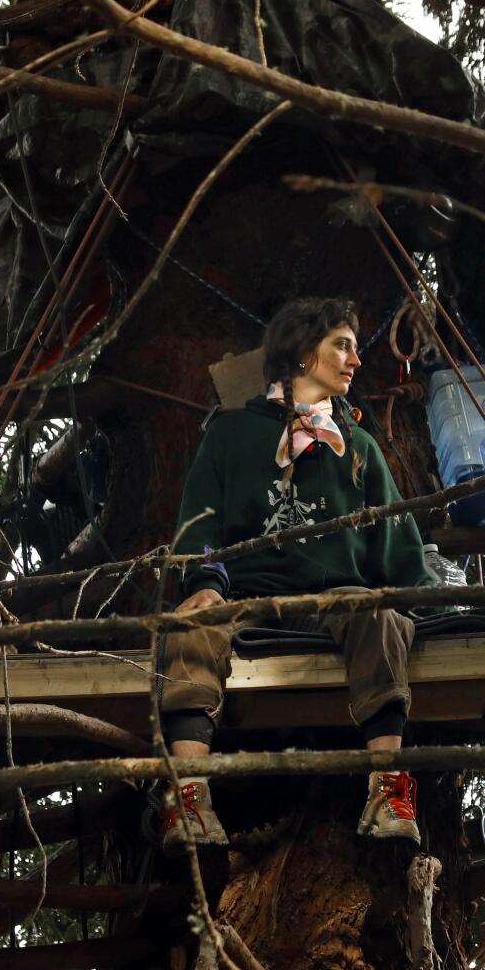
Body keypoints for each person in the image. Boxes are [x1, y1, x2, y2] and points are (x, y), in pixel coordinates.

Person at [155, 297, 436, 851]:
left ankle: (388, 790)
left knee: (377, 613)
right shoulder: (230, 436)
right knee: (190, 626)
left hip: (336, 602)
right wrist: (207, 583)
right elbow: (199, 526)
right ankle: (188, 799)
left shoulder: (358, 446)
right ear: (304, 352)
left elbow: (399, 551)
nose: (355, 360)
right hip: (249, 600)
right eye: (343, 345)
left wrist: (431, 606)